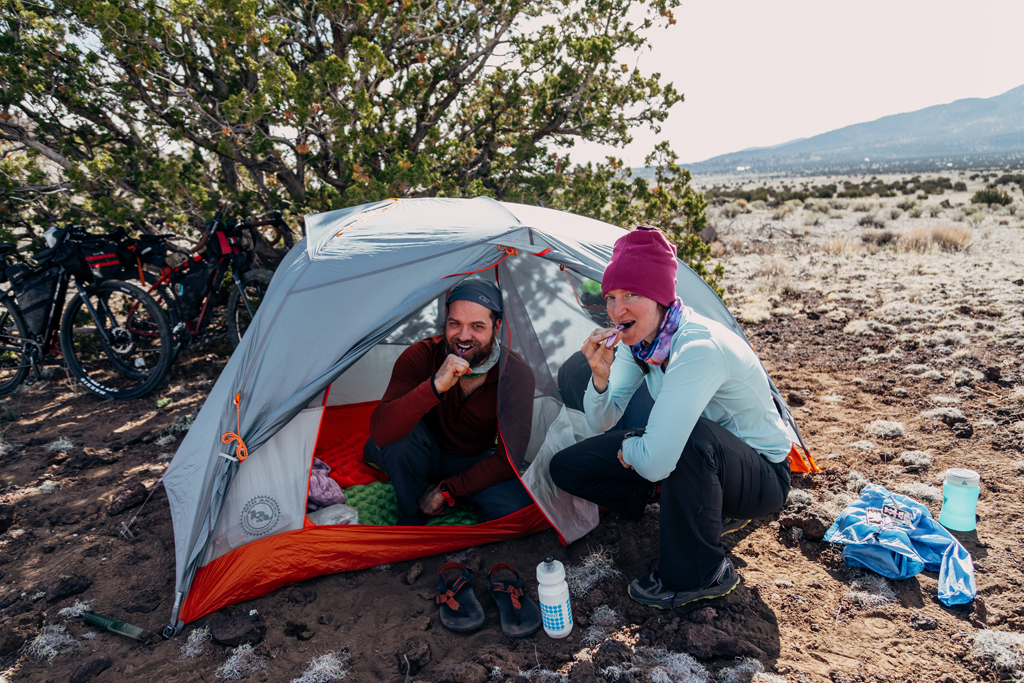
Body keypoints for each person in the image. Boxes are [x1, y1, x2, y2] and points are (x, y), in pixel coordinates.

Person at [549, 226, 792, 609]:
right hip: (702, 463)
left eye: (631, 294)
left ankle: (700, 573)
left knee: (686, 442)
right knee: (566, 467)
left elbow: (660, 458)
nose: (616, 309)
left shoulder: (697, 345)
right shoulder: (642, 342)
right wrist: (599, 379)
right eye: (611, 296)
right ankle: (677, 505)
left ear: (661, 296)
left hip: (760, 476)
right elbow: (602, 421)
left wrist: (635, 450)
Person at [364, 279, 535, 525]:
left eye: (477, 326)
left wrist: (448, 489)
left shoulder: (515, 372)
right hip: (422, 452)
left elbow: (508, 459)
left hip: (472, 459)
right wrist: (434, 387)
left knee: (514, 510)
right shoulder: (420, 356)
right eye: (455, 324)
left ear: (496, 326)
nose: (463, 337)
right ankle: (414, 510)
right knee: (396, 440)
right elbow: (382, 432)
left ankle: (439, 494)